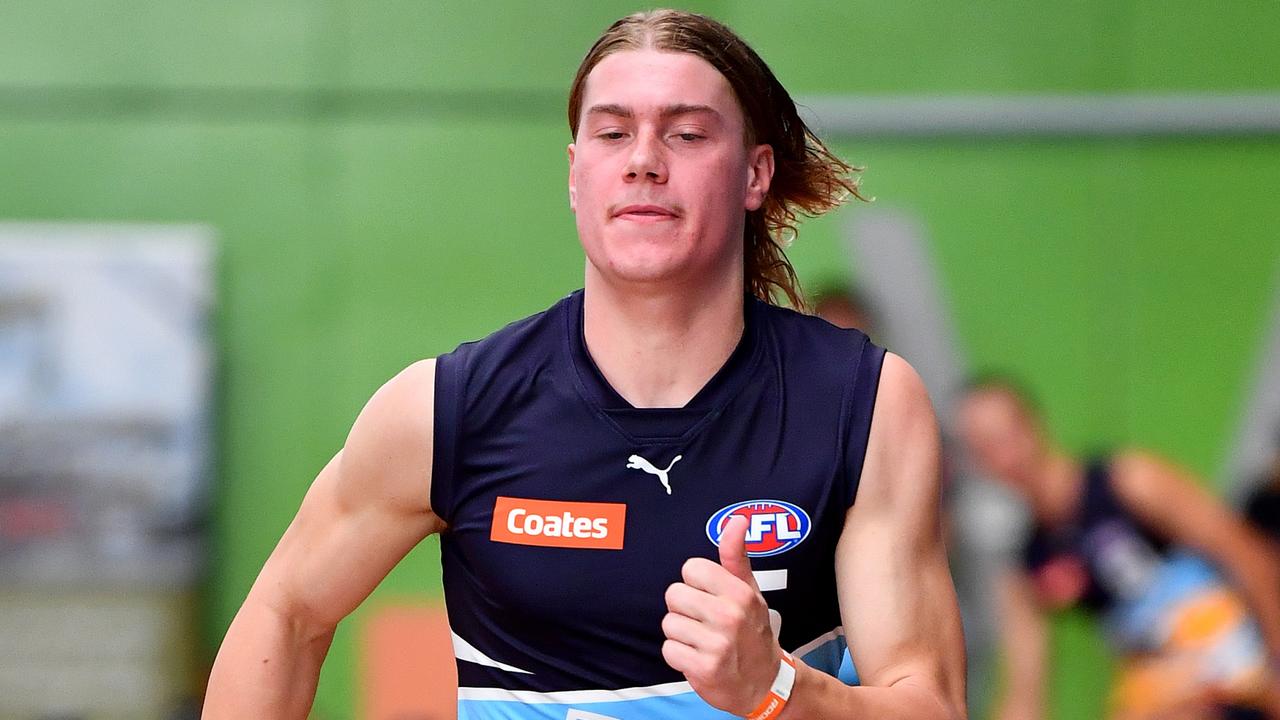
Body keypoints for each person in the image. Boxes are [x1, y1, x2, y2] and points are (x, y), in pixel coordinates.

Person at [203, 9, 967, 720]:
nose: (643, 161)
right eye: (612, 134)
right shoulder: (449, 411)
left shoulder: (861, 404)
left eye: (688, 134)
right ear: (575, 173)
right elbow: (287, 612)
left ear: (756, 175)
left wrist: (777, 689)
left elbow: (929, 701)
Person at [957, 376, 1280, 720]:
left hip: (1236, 653)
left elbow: (1247, 555)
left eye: (1004, 435)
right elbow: (1024, 688)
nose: (1004, 456)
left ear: (1033, 422)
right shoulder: (1028, 563)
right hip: (1165, 679)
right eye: (984, 448)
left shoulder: (1128, 482)